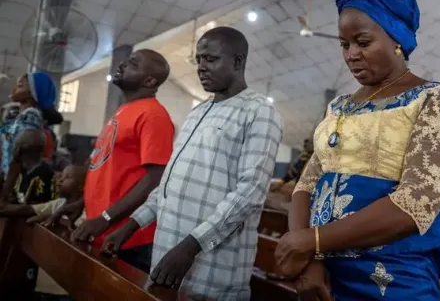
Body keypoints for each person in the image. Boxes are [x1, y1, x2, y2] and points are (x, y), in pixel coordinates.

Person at [273, 0, 440, 300]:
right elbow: (306, 185)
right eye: (344, 44)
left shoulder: (437, 99)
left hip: (392, 275)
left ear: (397, 39)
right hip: (324, 274)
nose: (350, 55)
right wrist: (311, 258)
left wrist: (311, 241)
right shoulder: (339, 106)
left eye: (362, 41)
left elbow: (416, 202)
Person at [102, 27, 283, 299]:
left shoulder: (259, 112)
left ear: (237, 61)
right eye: (198, 60)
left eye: (210, 59)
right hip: (167, 263)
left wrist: (191, 246)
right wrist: (130, 226)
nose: (201, 67)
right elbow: (168, 186)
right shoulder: (197, 112)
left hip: (213, 274)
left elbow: (250, 195)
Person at [46, 49, 175, 274]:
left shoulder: (154, 115)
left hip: (128, 238)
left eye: (133, 63)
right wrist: (82, 204)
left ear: (149, 80)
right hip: (101, 228)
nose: (123, 64)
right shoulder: (125, 110)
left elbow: (155, 179)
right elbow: (106, 170)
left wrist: (106, 218)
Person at [0, 164, 86, 301]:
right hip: (48, 282)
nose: (60, 180)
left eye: (68, 177)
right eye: (61, 176)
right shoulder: (58, 204)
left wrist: (55, 219)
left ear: (81, 187)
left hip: (72, 286)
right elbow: (28, 211)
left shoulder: (87, 213)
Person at [1, 72, 56, 201]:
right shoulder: (17, 116)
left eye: (20, 86)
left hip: (13, 183)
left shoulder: (31, 117)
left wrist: (5, 192)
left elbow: (19, 156)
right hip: (7, 179)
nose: (14, 88)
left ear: (32, 93)